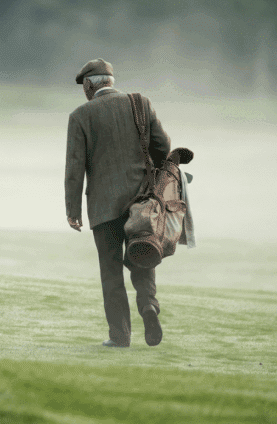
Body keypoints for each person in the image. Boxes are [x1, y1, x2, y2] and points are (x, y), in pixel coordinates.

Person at [65, 59, 171, 348]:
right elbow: (163, 148)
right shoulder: (141, 103)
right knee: (142, 259)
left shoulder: (80, 116)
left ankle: (120, 335)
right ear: (110, 81)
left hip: (103, 208)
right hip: (141, 202)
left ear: (89, 85)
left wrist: (72, 211)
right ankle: (149, 307)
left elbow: (75, 169)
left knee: (111, 272)